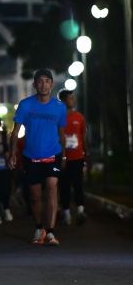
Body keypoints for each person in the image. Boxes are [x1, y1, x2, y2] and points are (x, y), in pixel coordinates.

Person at [8, 68, 66, 246]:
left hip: (53, 154)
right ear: (34, 85)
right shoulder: (26, 105)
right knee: (35, 196)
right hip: (31, 156)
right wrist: (12, 153)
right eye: (40, 81)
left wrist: (64, 156)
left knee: (51, 187)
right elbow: (15, 132)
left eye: (47, 81)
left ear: (52, 84)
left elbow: (61, 133)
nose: (43, 85)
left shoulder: (59, 107)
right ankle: (39, 227)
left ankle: (51, 232)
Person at [58, 89, 90, 225]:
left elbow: (83, 136)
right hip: (63, 159)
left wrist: (86, 154)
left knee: (78, 184)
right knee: (64, 186)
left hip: (77, 157)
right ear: (63, 101)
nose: (73, 100)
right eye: (70, 98)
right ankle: (66, 214)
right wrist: (62, 157)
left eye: (73, 98)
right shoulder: (58, 118)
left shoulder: (79, 117)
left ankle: (80, 211)